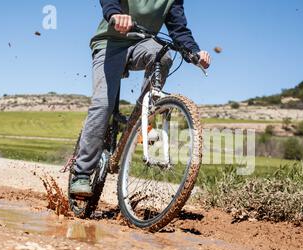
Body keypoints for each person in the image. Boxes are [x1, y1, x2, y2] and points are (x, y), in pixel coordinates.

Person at [70, 0, 211, 196]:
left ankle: (142, 117)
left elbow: (179, 30)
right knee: (103, 105)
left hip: (143, 43)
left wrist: (194, 52)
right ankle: (82, 173)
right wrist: (114, 14)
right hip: (110, 43)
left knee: (164, 56)